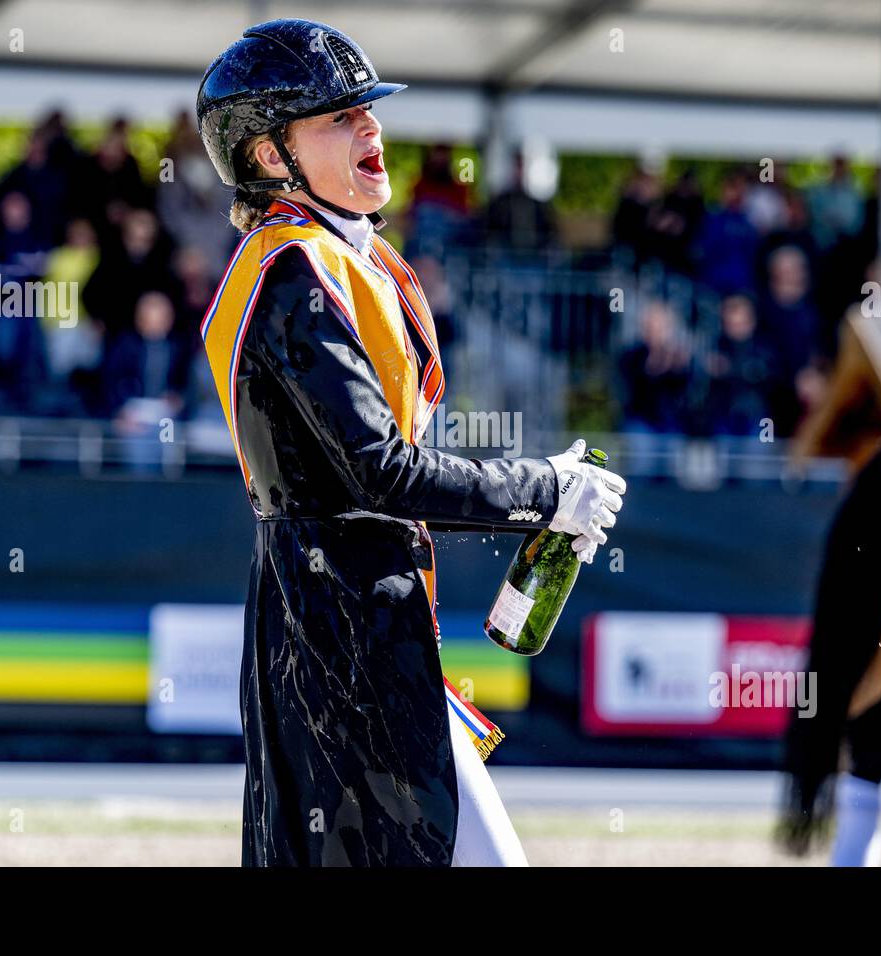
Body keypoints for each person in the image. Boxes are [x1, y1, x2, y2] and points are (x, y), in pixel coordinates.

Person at [195, 18, 626, 867]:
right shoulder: (293, 272)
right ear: (271, 157)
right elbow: (378, 472)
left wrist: (542, 495)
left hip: (362, 622)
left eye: (367, 110)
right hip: (336, 636)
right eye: (337, 117)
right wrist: (543, 490)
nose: (372, 128)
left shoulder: (345, 257)